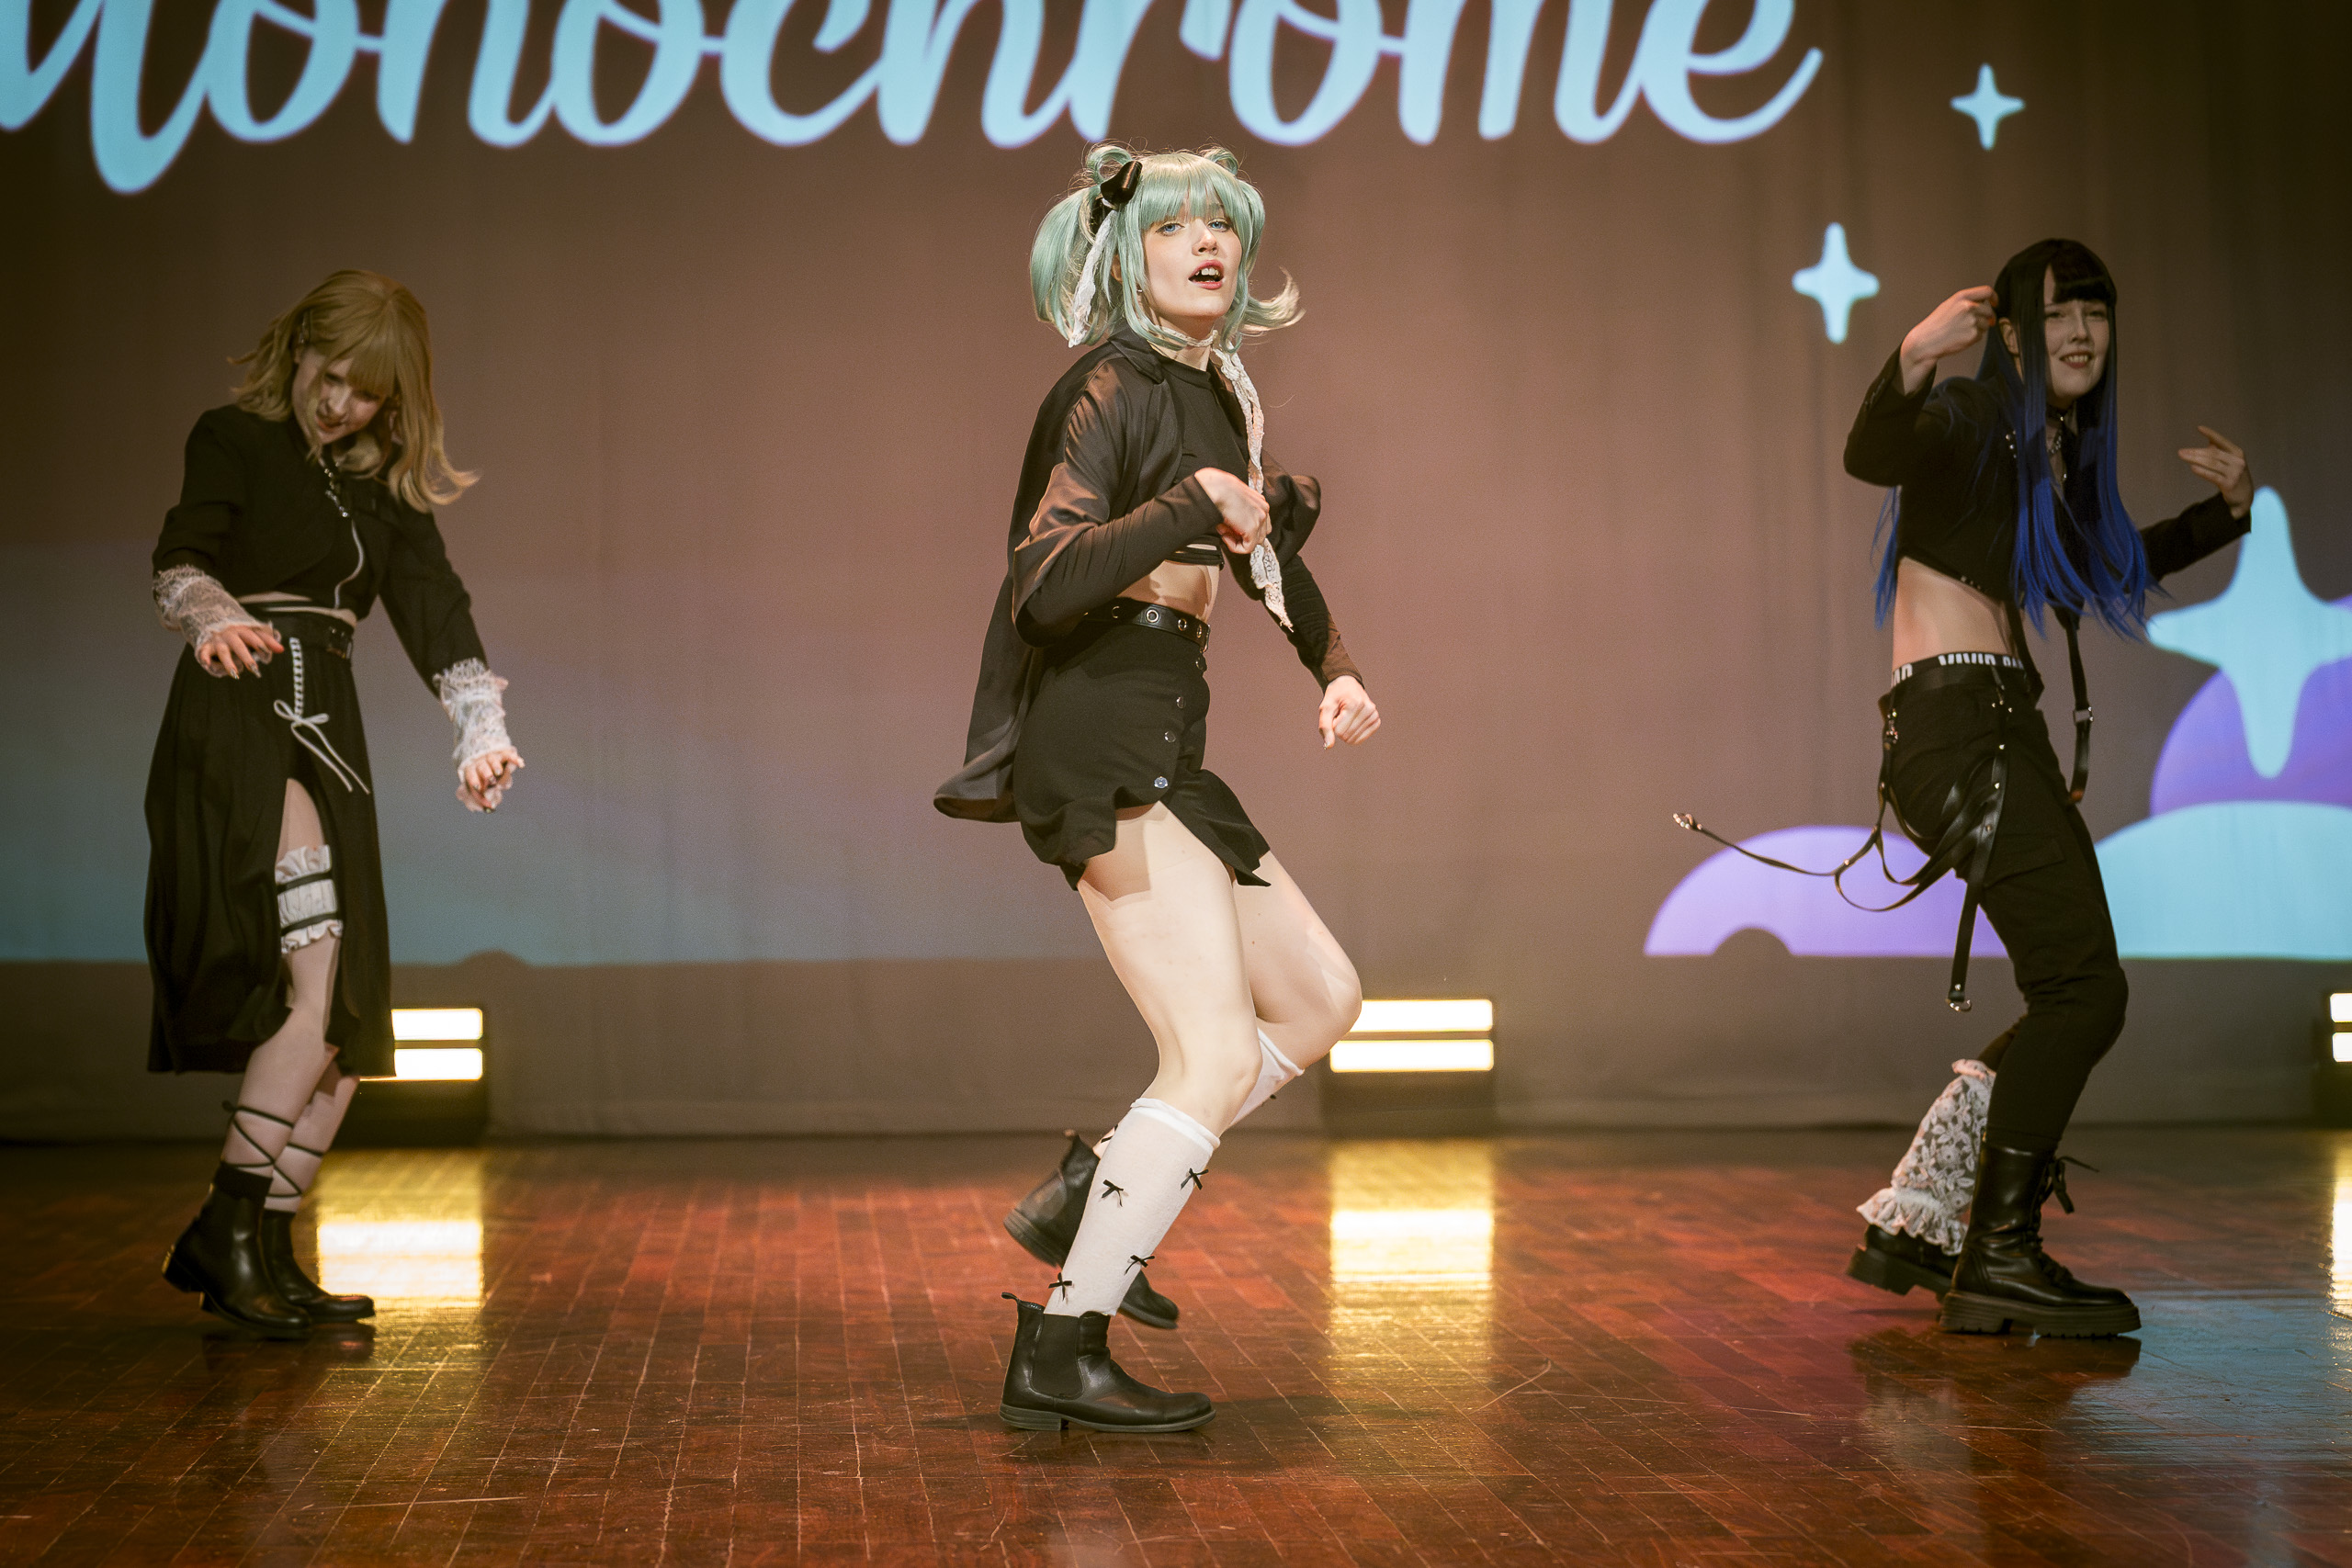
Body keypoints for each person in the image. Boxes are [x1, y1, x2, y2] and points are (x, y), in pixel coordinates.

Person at [936, 145, 1378, 1429]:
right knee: (1212, 1048)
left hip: (1170, 743)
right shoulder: (1106, 387)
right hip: (1097, 738)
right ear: (1125, 257)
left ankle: (1098, 1185)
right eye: (1176, 225)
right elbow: (1045, 581)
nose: (1206, 242)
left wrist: (1336, 668)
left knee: (1322, 999)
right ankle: (1060, 1343)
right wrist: (1192, 500)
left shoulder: (1218, 394)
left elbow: (1258, 552)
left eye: (1221, 225)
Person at [1835, 239, 2254, 1335]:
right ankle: (1998, 1254)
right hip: (1959, 730)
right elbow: (1874, 452)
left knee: (2079, 986)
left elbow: (2100, 566)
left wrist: (2226, 514)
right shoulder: (1975, 416)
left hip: (1992, 727)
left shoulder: (2041, 453)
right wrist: (1915, 353)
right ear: (2014, 334)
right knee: (2084, 992)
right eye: (2059, 314)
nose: (2081, 333)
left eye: (2096, 315)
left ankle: (1935, 1214)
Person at [148, 270, 522, 1337]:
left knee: (353, 1024)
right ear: (300, 348)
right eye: (332, 376)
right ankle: (223, 1232)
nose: (340, 404)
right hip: (241, 716)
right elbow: (181, 557)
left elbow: (435, 609)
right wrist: (211, 613)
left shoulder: (381, 487)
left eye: (366, 394)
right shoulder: (235, 438)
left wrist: (480, 730)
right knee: (313, 990)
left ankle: (266, 1245)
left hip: (330, 736)